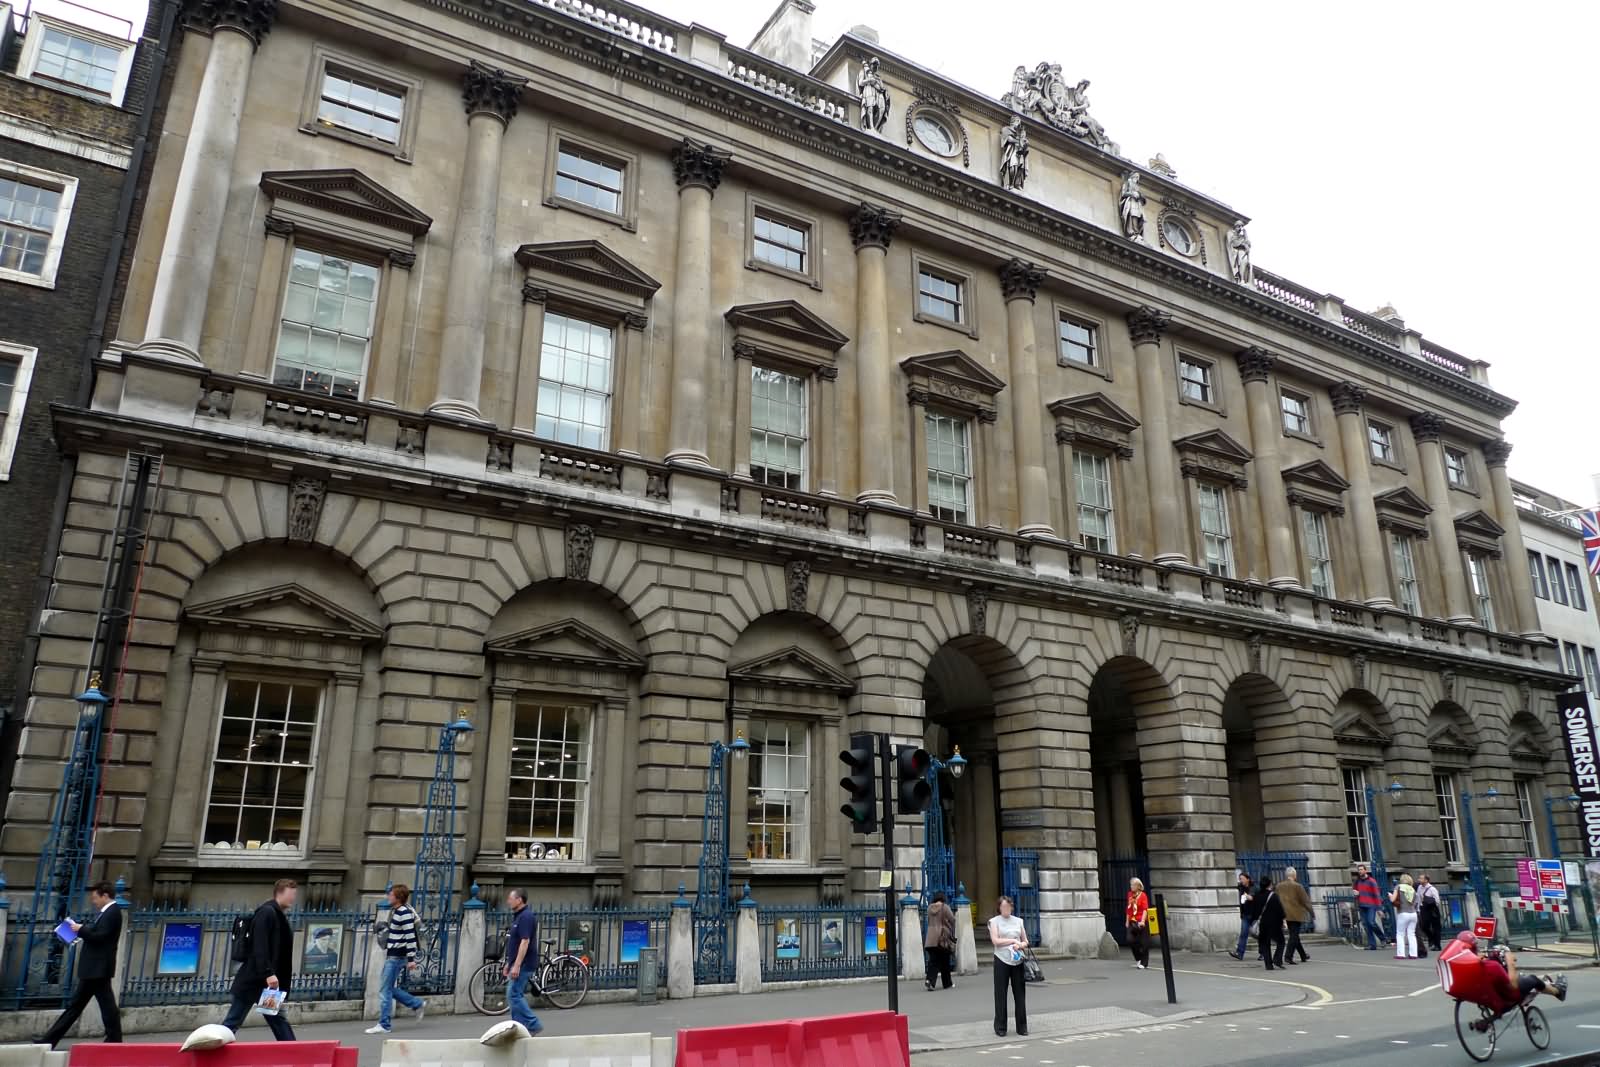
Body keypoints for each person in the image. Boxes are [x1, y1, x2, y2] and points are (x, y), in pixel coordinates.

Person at [37, 882, 123, 1048]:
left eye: (95, 898)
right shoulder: (108, 913)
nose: (94, 901)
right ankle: (114, 1039)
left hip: (97, 969)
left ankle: (49, 1040)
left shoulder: (112, 912)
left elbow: (101, 937)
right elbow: (99, 934)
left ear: (105, 896)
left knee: (82, 1007)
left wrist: (80, 929)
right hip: (95, 969)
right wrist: (81, 930)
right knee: (93, 1007)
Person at [222, 878, 297, 1041]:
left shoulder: (277, 915)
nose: (293, 898)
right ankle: (211, 1053)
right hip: (254, 980)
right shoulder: (267, 913)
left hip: (266, 984)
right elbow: (259, 946)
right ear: (280, 893)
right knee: (232, 1021)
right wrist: (268, 973)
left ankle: (293, 1053)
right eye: (291, 894)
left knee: (277, 1020)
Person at [365, 883, 425, 1035]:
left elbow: (410, 936)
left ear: (398, 897)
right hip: (394, 954)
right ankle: (417, 1003)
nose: (388, 896)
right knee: (388, 988)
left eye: (391, 894)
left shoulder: (403, 912)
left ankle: (384, 1024)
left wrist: (411, 959)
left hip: (397, 956)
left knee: (385, 990)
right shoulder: (397, 911)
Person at [1475, 944, 1567, 1025]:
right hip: (1511, 997)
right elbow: (1513, 984)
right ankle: (1558, 991)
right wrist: (1510, 963)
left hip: (1498, 1003)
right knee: (1533, 979)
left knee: (1522, 978)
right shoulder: (1500, 966)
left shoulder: (1485, 967)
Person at [503, 888, 543, 1036]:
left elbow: (525, 942)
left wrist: (517, 965)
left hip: (524, 963)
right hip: (517, 962)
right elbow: (514, 942)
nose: (508, 901)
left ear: (519, 900)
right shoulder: (518, 916)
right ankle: (519, 1027)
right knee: (513, 994)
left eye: (510, 898)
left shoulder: (526, 917)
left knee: (514, 994)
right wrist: (509, 963)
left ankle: (532, 1024)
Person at [987, 896, 1028, 1037]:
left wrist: (1020, 944)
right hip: (1001, 959)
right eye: (1003, 907)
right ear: (999, 908)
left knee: (1020, 994)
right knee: (1000, 994)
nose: (1006, 909)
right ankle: (1000, 1027)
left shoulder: (1018, 921)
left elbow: (1025, 940)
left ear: (1012, 907)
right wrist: (1012, 940)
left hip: (1017, 960)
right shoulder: (994, 922)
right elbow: (996, 941)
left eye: (1008, 907)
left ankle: (1022, 1027)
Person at [1277, 867, 1312, 965]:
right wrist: (1312, 912)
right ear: (1294, 875)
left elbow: (1276, 899)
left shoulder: (1279, 886)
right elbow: (1305, 901)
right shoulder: (1298, 886)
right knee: (1294, 935)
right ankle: (1288, 956)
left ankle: (1303, 955)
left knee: (1294, 935)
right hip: (1296, 914)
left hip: (1284, 913)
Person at [923, 890, 956, 991]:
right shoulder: (945, 907)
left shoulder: (929, 908)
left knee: (934, 961)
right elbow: (953, 919)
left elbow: (928, 921)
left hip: (930, 939)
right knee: (944, 961)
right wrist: (949, 929)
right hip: (941, 939)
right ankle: (946, 983)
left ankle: (931, 981)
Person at [1257, 877, 1285, 970]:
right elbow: (1280, 910)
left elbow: (1254, 911)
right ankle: (1277, 959)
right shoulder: (1273, 896)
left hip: (1263, 923)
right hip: (1274, 924)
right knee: (1281, 941)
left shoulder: (1258, 895)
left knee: (1265, 944)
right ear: (1269, 885)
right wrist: (1282, 920)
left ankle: (1268, 964)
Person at [1352, 865, 1384, 951]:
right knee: (1366, 925)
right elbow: (1355, 892)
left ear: (1365, 871)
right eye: (1359, 870)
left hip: (1371, 905)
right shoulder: (1357, 881)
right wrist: (1355, 894)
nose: (1360, 871)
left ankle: (1383, 938)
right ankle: (1372, 944)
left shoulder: (1371, 881)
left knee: (1371, 922)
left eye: (1361, 870)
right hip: (1361, 905)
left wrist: (1379, 908)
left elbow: (1377, 895)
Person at [1229, 872, 1257, 960]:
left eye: (1242, 878)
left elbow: (1252, 897)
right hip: (1245, 914)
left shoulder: (1253, 887)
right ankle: (1239, 953)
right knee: (1243, 934)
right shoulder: (1241, 887)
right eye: (1240, 878)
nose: (1241, 880)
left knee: (1257, 934)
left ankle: (1263, 953)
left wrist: (1247, 896)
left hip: (1254, 915)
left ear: (1247, 879)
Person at [1390, 873, 1418, 959]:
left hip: (1403, 913)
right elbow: (1416, 903)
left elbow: (1392, 899)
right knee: (1412, 934)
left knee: (1400, 934)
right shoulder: (1412, 889)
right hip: (1413, 914)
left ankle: (1401, 954)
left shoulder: (1398, 887)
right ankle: (1413, 954)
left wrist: (1390, 895)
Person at [1125, 877, 1150, 971]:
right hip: (1132, 921)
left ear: (1139, 886)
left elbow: (1145, 909)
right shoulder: (1130, 895)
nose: (1131, 886)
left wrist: (1143, 921)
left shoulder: (1143, 895)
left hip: (1141, 921)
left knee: (1145, 943)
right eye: (1131, 885)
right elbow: (1128, 909)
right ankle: (1138, 957)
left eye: (1133, 885)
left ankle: (1144, 963)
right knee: (1130, 940)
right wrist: (1127, 921)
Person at [1417, 873, 1443, 952]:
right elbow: (1418, 898)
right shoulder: (1419, 887)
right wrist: (1418, 908)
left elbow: (1437, 900)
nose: (1419, 879)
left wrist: (1430, 903)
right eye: (1419, 878)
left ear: (1426, 880)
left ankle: (1437, 945)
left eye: (1421, 878)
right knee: (1423, 926)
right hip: (1423, 909)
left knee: (1436, 928)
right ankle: (1431, 938)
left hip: (1432, 909)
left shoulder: (1432, 889)